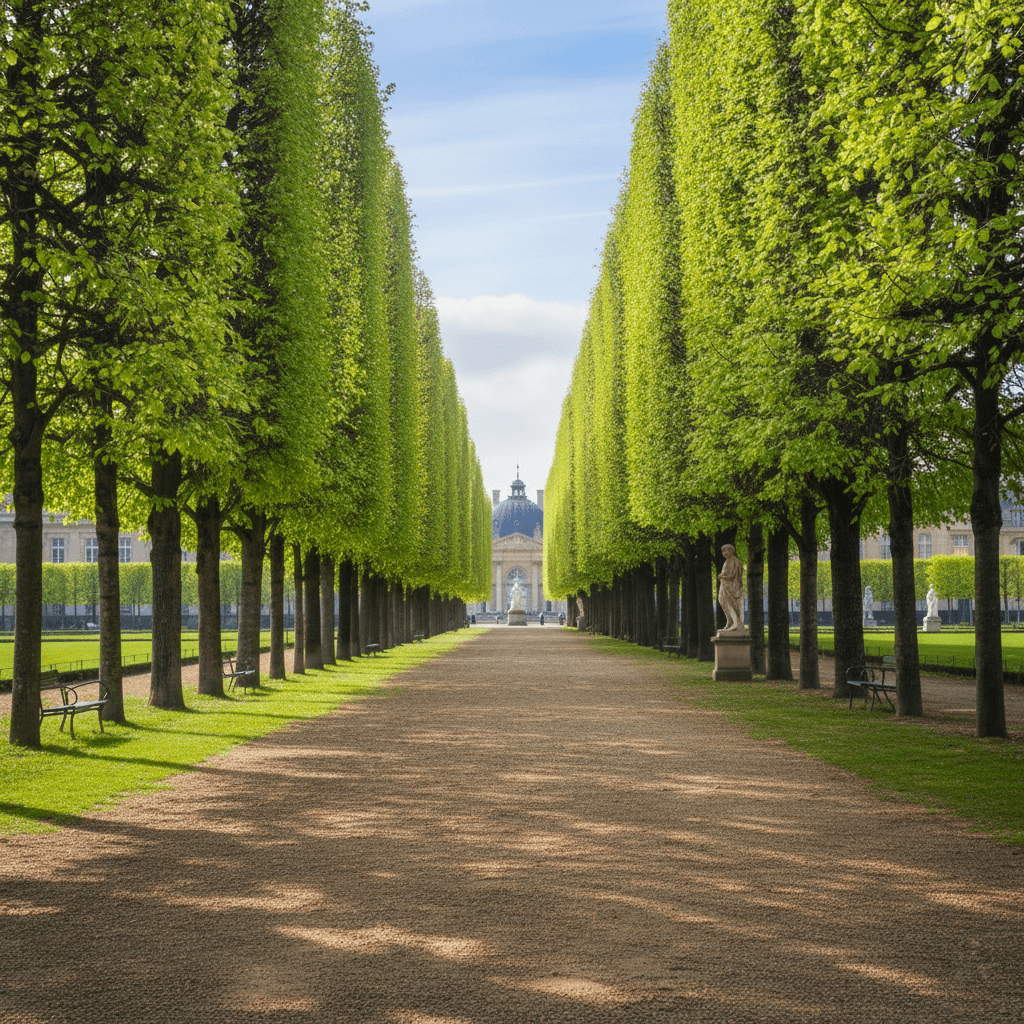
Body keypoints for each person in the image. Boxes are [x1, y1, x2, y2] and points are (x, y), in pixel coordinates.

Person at [716, 543, 745, 634]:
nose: (724, 553)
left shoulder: (733, 561)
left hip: (731, 588)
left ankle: (736, 624)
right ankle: (729, 622)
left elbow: (731, 576)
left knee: (729, 604)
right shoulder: (727, 561)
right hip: (725, 586)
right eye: (722, 551)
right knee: (723, 602)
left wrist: (721, 576)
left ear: (731, 551)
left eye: (725, 550)